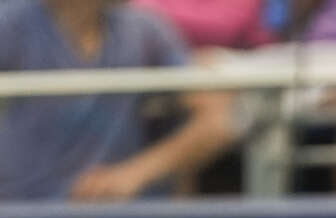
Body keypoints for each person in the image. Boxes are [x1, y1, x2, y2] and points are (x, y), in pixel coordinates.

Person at [0, 0, 233, 201]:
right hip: (25, 216)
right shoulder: (11, 25)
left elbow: (219, 121)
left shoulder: (143, 30)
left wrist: (134, 173)